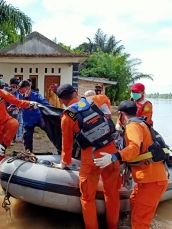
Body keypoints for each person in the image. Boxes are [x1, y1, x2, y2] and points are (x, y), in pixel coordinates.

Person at [52, 84, 121, 229]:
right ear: (76, 92)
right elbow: (105, 98)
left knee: (87, 198)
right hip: (111, 153)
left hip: (91, 159)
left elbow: (67, 144)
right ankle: (113, 226)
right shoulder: (92, 100)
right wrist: (106, 113)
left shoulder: (67, 117)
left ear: (61, 100)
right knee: (112, 194)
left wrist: (64, 163)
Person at [94, 100, 168, 229]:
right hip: (147, 179)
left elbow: (134, 148)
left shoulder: (133, 126)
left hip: (151, 180)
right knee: (133, 200)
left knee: (140, 221)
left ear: (121, 114)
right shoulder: (142, 123)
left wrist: (114, 157)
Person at [0, 79, 38, 163]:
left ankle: (5, 145)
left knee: (14, 123)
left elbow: (16, 101)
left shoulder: (0, 92)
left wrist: (28, 104)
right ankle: (2, 163)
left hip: (6, 122)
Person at [17, 80, 51, 153]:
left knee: (49, 129)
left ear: (29, 88)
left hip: (38, 118)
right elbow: (18, 103)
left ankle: (59, 147)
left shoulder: (37, 96)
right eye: (20, 92)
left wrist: (53, 111)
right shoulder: (19, 96)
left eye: (23, 92)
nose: (21, 94)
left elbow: (47, 105)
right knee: (27, 137)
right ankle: (29, 153)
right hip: (27, 120)